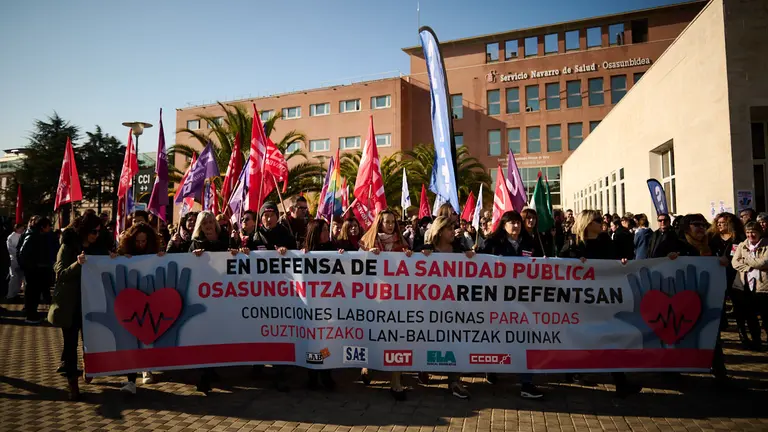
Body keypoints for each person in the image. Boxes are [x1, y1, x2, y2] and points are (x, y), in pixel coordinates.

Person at [560, 210, 642, 397]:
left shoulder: (605, 241)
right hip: (580, 300)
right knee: (581, 337)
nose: (602, 223)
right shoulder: (574, 242)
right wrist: (574, 262)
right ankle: (572, 372)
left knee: (609, 337)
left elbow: (615, 260)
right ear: (588, 223)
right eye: (597, 220)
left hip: (603, 298)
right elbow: (560, 263)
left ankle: (620, 381)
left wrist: (621, 262)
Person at [478, 211, 544, 399]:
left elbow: (542, 264)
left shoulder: (530, 243)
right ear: (504, 225)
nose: (516, 226)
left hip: (523, 300)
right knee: (497, 337)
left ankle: (526, 383)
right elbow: (478, 263)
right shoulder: (492, 243)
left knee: (525, 339)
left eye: (518, 223)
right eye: (512, 223)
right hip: (497, 300)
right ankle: (491, 368)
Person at [47, 213, 110, 400]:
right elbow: (60, 273)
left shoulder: (99, 247)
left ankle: (88, 365)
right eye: (93, 231)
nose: (96, 235)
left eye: (98, 232)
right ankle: (72, 384)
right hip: (71, 304)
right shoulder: (67, 245)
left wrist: (112, 258)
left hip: (91, 303)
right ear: (83, 230)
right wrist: (78, 264)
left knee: (91, 340)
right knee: (70, 344)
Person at [418, 216, 475, 399]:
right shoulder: (427, 249)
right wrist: (419, 255)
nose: (453, 232)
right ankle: (422, 368)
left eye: (453, 228)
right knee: (428, 339)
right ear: (440, 230)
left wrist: (470, 256)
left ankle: (454, 380)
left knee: (454, 340)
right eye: (449, 229)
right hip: (431, 305)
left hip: (454, 305)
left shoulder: (459, 249)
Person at [359, 209, 413, 401]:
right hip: (374, 299)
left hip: (397, 299)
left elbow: (411, 268)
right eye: (386, 222)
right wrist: (367, 255)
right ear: (379, 223)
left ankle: (396, 381)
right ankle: (368, 366)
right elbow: (355, 266)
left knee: (397, 338)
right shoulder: (367, 241)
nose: (390, 225)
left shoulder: (402, 243)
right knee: (374, 335)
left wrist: (410, 256)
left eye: (392, 222)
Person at [189, 211, 241, 394]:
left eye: (211, 222)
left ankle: (212, 368)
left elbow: (239, 260)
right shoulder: (195, 244)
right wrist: (193, 256)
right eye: (205, 223)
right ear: (200, 227)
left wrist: (235, 253)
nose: (209, 225)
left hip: (223, 296)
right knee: (205, 334)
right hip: (202, 297)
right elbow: (186, 264)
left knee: (217, 333)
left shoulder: (227, 241)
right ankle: (204, 374)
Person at [115, 222, 166, 394]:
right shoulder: (124, 252)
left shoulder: (155, 251)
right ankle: (130, 379)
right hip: (131, 299)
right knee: (132, 338)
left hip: (151, 297)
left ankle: (147, 369)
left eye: (144, 241)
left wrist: (162, 257)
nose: (141, 244)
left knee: (148, 334)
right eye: (137, 241)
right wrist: (118, 258)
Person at [302, 219, 344, 391]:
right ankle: (312, 374)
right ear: (315, 232)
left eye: (327, 229)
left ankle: (326, 372)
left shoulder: (334, 249)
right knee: (313, 340)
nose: (327, 233)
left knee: (327, 341)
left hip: (329, 304)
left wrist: (342, 256)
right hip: (312, 305)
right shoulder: (304, 251)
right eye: (324, 230)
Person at [709, 213, 752, 347]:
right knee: (719, 306)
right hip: (717, 275)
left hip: (735, 275)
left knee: (739, 306)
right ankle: (719, 335)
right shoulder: (712, 238)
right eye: (718, 223)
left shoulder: (738, 238)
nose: (720, 225)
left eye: (723, 222)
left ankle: (743, 333)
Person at [732, 221, 768, 350]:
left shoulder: (766, 245)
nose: (750, 235)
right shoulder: (742, 245)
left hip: (763, 287)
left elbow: (764, 262)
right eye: (747, 232)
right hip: (745, 286)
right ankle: (756, 342)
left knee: (766, 316)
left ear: (759, 232)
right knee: (750, 317)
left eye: (753, 232)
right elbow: (735, 262)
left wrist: (746, 260)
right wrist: (749, 267)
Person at [19, 217, 55, 323]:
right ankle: (31, 316)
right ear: (43, 227)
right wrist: (29, 267)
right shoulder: (32, 236)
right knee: (32, 294)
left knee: (35, 294)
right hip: (33, 271)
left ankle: (32, 314)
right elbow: (23, 253)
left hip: (36, 269)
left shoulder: (39, 235)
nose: (50, 228)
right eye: (48, 226)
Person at [6, 223, 25, 301]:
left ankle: (15, 293)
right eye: (21, 228)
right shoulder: (11, 237)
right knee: (14, 277)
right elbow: (11, 249)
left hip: (20, 259)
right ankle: (10, 295)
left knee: (19, 278)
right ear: (16, 228)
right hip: (14, 259)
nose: (22, 230)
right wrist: (19, 254)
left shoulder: (22, 236)